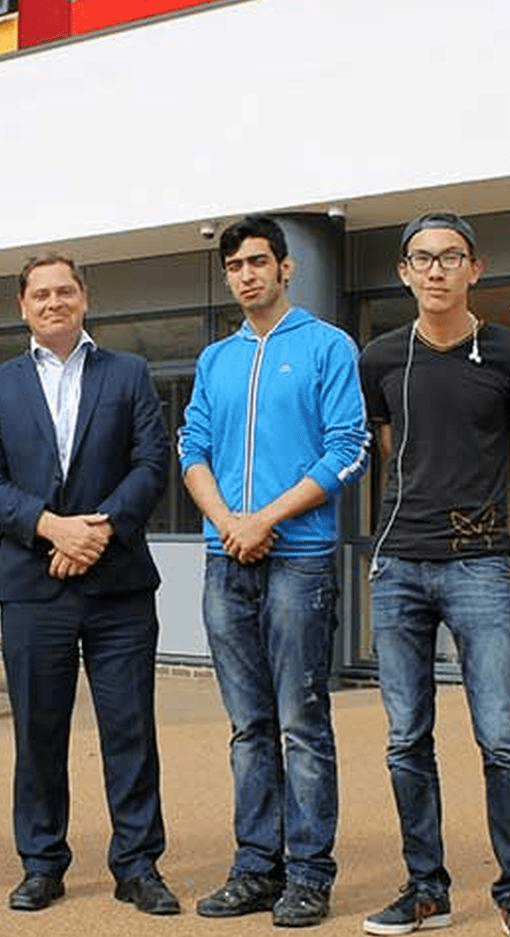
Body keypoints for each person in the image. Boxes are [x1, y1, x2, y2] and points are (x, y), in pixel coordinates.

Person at [357, 211, 510, 937]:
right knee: (406, 736)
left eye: (450, 257)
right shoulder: (380, 358)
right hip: (399, 564)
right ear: (404, 272)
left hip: (479, 566)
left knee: (501, 736)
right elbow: (391, 449)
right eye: (422, 258)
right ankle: (426, 889)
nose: (436, 269)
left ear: (476, 268)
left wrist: (507, 551)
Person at [0, 254, 178, 916]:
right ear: (22, 306)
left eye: (65, 290)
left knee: (130, 729)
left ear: (85, 296)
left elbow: (152, 463)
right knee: (38, 731)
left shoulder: (129, 372)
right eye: (41, 294)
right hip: (33, 586)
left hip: (119, 587)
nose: (53, 302)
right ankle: (41, 863)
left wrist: (99, 532)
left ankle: (137, 865)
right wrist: (53, 528)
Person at [180, 215, 369, 928]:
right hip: (225, 557)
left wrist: (266, 519)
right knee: (247, 725)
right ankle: (256, 868)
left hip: (300, 558)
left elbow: (347, 449)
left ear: (285, 267)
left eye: (258, 261)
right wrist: (229, 522)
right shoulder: (216, 359)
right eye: (235, 266)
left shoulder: (328, 346)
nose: (247, 275)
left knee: (301, 722)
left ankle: (310, 874)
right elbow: (192, 447)